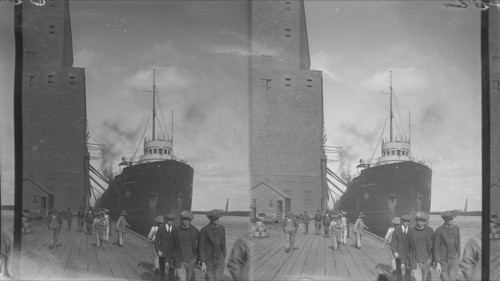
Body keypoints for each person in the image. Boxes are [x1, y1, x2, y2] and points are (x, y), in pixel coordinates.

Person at [401, 211, 434, 281]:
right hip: (415, 261)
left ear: (425, 221)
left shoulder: (430, 231)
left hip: (427, 261)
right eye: (419, 220)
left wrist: (434, 260)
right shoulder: (411, 231)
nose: (421, 222)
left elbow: (434, 246)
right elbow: (406, 248)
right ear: (416, 220)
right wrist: (403, 262)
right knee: (417, 279)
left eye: (423, 220)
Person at [199, 209, 226, 281]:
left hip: (220, 258)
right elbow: (201, 247)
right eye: (216, 219)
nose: (218, 220)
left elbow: (223, 243)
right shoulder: (204, 230)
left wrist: (223, 257)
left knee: (218, 278)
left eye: (218, 218)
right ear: (211, 219)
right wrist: (202, 262)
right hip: (209, 260)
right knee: (210, 279)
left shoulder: (222, 228)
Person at [172, 211, 199, 281]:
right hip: (180, 260)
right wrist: (168, 260)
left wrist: (197, 259)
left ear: (190, 220)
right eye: (183, 219)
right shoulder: (176, 230)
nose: (185, 221)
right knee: (181, 279)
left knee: (190, 279)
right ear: (181, 219)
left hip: (191, 260)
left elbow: (199, 246)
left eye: (187, 220)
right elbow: (171, 245)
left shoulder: (195, 231)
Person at [434, 210, 460, 281]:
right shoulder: (439, 230)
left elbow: (458, 243)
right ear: (445, 219)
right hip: (444, 260)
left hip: (454, 259)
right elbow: (436, 248)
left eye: (452, 218)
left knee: (453, 279)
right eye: (449, 219)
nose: (452, 220)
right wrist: (438, 263)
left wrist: (458, 256)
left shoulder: (456, 228)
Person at [155, 213, 176, 278]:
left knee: (172, 270)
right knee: (162, 270)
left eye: (172, 220)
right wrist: (158, 250)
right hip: (162, 253)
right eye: (169, 220)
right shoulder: (161, 228)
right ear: (166, 220)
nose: (171, 221)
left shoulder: (175, 229)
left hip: (172, 254)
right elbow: (156, 241)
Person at [391, 214, 411, 280]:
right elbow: (392, 243)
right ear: (402, 221)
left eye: (408, 221)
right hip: (398, 254)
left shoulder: (411, 230)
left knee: (408, 271)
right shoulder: (397, 230)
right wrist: (394, 252)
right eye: (405, 221)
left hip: (408, 255)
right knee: (399, 272)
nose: (407, 222)